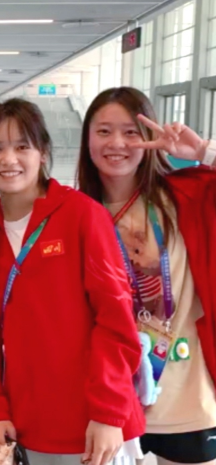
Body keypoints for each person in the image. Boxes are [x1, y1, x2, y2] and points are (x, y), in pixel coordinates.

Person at [0, 98, 145, 465]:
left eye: (22, 146)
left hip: (93, 420)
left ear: (43, 152)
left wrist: (108, 411)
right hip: (26, 419)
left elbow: (116, 319)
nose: (9, 160)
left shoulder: (81, 215)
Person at [77, 87, 216, 465]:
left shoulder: (184, 196)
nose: (117, 143)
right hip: (108, 405)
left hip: (186, 399)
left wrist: (202, 150)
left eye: (131, 132)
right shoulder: (75, 212)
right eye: (104, 131)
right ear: (87, 139)